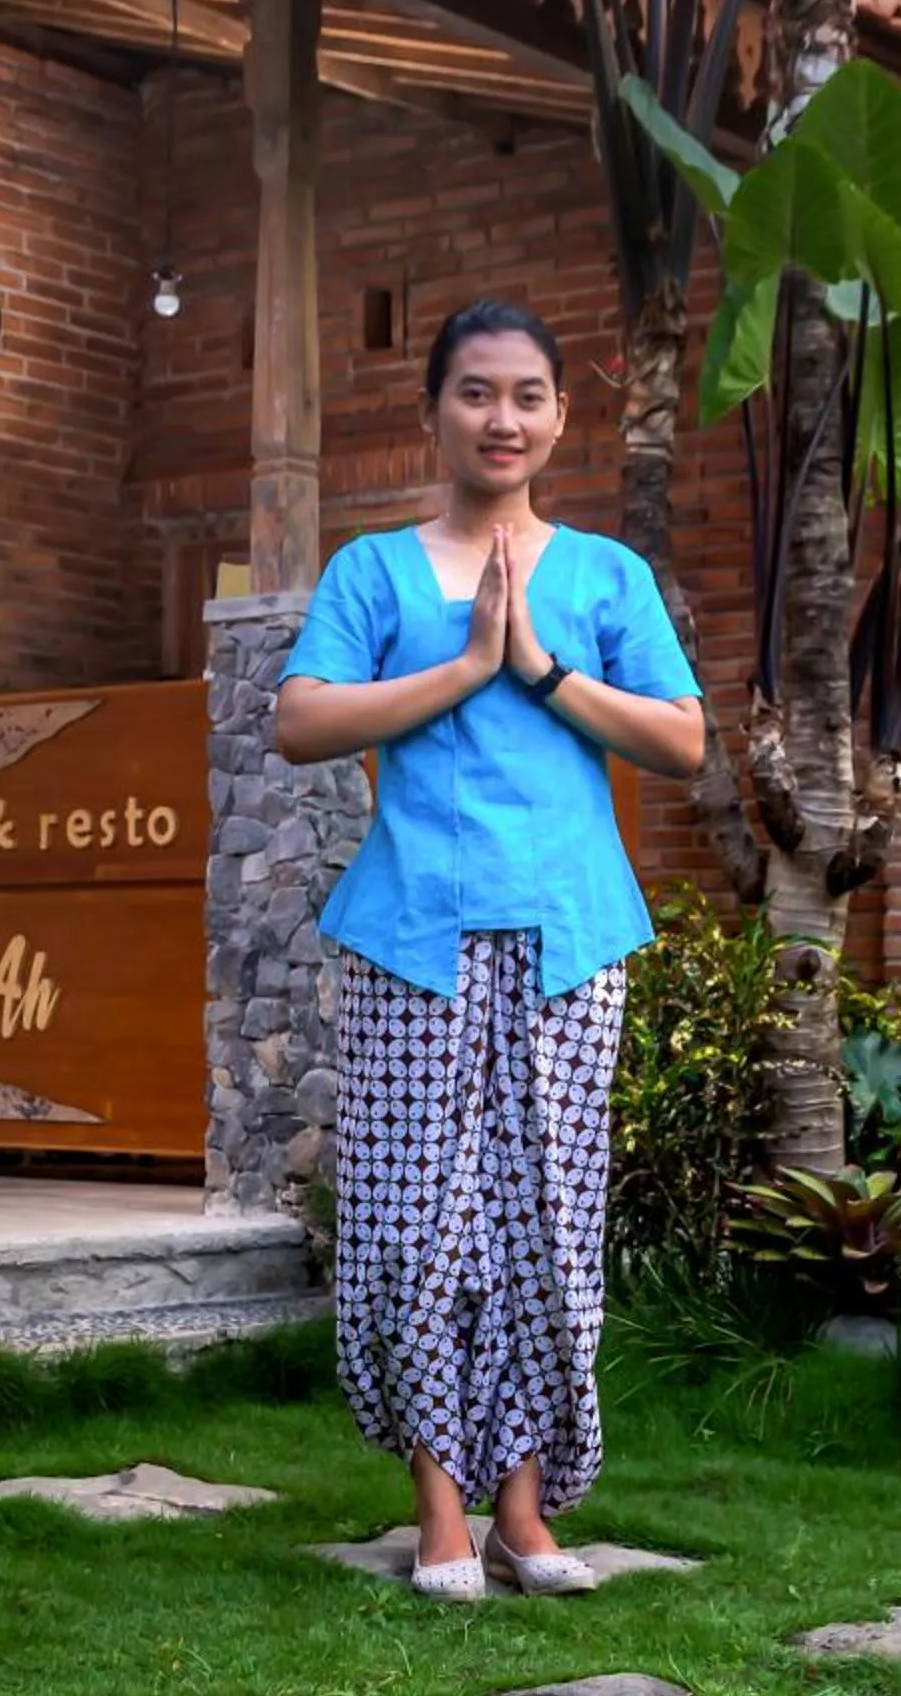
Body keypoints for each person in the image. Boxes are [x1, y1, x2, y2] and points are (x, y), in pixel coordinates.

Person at [272, 299, 706, 1601]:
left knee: (547, 1235)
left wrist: (539, 666)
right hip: (413, 938)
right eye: (474, 392)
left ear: (561, 417)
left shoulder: (607, 577)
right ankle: (438, 1509)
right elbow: (299, 721)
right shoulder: (371, 571)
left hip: (569, 941)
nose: (501, 418)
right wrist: (466, 667)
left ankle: (523, 1509)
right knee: (416, 1228)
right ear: (433, 413)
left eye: (526, 394)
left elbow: (683, 741)